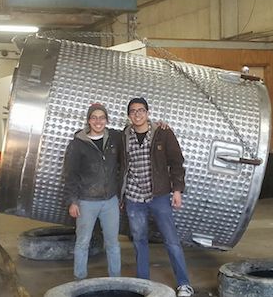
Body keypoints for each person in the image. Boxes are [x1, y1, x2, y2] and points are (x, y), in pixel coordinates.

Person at [121, 97, 194, 297]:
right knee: (139, 240)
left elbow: (177, 161)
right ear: (129, 116)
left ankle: (184, 283)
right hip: (134, 198)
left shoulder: (163, 133)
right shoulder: (123, 136)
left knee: (171, 240)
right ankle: (143, 283)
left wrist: (177, 190)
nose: (137, 114)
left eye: (141, 110)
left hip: (159, 195)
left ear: (148, 113)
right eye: (133, 111)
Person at [63, 103, 122, 280]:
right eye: (94, 117)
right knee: (82, 243)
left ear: (106, 120)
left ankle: (116, 280)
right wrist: (72, 201)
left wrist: (155, 125)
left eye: (102, 117)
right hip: (86, 202)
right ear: (89, 120)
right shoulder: (77, 144)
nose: (98, 121)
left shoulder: (115, 138)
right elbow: (70, 174)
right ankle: (80, 280)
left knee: (113, 243)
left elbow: (134, 129)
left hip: (110, 201)